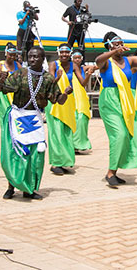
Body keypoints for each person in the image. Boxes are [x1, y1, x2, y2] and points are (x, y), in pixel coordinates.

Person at [0, 46, 69, 200]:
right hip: (17, 116)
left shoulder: (47, 78)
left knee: (35, 155)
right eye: (30, 56)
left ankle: (30, 189)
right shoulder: (20, 73)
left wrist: (66, 94)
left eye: (36, 57)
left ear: (43, 59)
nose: (32, 59)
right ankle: (11, 186)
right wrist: (1, 79)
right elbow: (2, 89)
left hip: (34, 119)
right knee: (16, 153)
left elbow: (57, 100)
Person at [95, 32, 137, 187]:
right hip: (109, 102)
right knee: (119, 134)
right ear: (109, 45)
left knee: (124, 136)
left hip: (125, 102)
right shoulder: (106, 61)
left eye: (120, 42)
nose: (119, 45)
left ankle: (114, 171)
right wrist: (113, 52)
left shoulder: (129, 60)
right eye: (115, 43)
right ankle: (110, 173)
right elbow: (98, 61)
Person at [48, 44, 82, 175]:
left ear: (70, 53)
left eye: (66, 52)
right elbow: (50, 82)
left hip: (68, 100)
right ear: (58, 53)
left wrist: (89, 74)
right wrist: (57, 77)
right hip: (55, 100)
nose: (64, 54)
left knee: (67, 130)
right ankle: (56, 163)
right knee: (56, 132)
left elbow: (82, 83)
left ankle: (66, 161)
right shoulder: (53, 64)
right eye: (62, 52)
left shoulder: (74, 66)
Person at [69, 48, 96, 155]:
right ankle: (72, 144)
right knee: (75, 118)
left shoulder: (83, 68)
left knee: (82, 118)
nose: (77, 60)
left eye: (79, 58)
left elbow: (96, 65)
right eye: (75, 58)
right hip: (72, 95)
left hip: (82, 96)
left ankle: (80, 144)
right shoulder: (69, 68)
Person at [0, 43, 21, 121]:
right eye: (10, 55)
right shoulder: (0, 64)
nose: (12, 57)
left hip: (13, 94)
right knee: (5, 119)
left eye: (14, 55)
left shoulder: (17, 65)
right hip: (2, 96)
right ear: (6, 54)